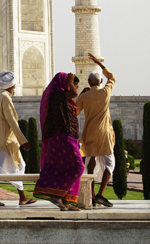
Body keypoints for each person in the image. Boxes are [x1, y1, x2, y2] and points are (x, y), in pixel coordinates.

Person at [0, 72, 35, 207]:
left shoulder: (0, 96)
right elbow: (11, 120)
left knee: (5, 168)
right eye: (14, 84)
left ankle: (17, 197)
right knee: (16, 167)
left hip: (0, 139)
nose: (15, 86)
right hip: (4, 141)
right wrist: (23, 141)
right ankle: (20, 197)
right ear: (11, 86)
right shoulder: (5, 98)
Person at [33, 73, 84, 211]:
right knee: (78, 166)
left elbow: (73, 108)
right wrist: (71, 81)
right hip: (62, 136)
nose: (75, 88)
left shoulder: (62, 97)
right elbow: (73, 93)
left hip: (68, 136)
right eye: (74, 84)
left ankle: (66, 202)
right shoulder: (57, 94)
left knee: (65, 168)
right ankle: (56, 195)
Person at [75, 54, 115, 207]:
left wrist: (81, 95)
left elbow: (74, 110)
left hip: (90, 133)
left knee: (90, 163)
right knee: (110, 165)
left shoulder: (85, 96)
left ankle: (91, 195)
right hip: (104, 133)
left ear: (88, 82)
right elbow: (112, 78)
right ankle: (100, 194)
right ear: (100, 81)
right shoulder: (105, 92)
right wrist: (100, 64)